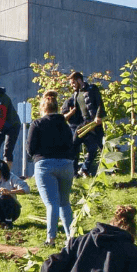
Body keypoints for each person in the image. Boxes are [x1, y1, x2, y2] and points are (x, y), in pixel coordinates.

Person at [28, 92, 77, 245]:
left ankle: (51, 238)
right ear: (57, 108)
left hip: (45, 165)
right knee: (64, 203)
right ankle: (71, 238)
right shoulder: (65, 124)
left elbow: (30, 148)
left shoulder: (37, 123)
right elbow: (71, 144)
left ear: (43, 109)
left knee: (51, 203)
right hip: (66, 165)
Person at [64, 71, 105, 177]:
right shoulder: (76, 94)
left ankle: (85, 169)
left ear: (79, 80)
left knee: (96, 148)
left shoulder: (92, 89)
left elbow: (100, 103)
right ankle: (74, 173)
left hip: (94, 124)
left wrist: (98, 116)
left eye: (73, 83)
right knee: (73, 146)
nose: (72, 85)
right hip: (83, 125)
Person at [0, 81, 22, 166]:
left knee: (7, 150)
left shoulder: (3, 100)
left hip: (12, 125)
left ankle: (6, 171)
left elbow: (0, 120)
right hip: (0, 125)